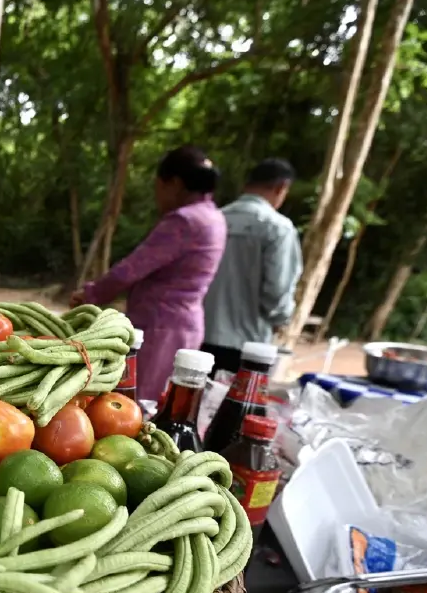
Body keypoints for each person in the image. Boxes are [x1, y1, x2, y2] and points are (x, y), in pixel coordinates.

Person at [69, 146, 227, 403]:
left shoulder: (185, 220)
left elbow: (132, 268)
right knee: (162, 402)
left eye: (158, 187)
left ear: (173, 183)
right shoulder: (213, 216)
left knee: (137, 402)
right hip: (185, 326)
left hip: (160, 328)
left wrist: (91, 294)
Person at [201, 158, 302, 374]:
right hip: (248, 345)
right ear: (281, 188)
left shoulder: (213, 219)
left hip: (199, 339)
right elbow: (277, 291)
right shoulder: (277, 228)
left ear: (247, 184)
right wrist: (281, 318)